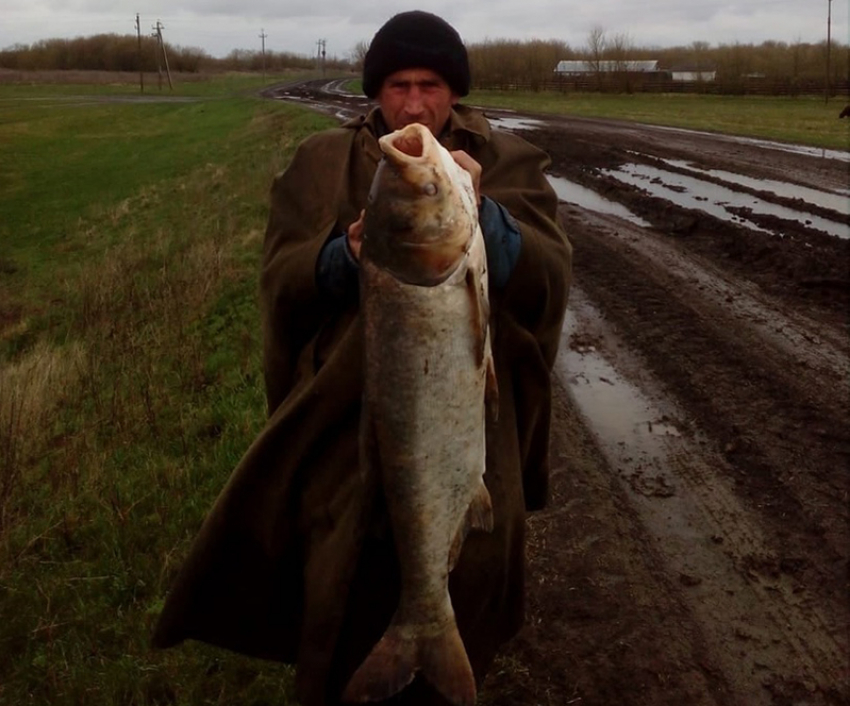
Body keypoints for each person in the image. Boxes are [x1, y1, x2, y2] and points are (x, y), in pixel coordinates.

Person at [152, 10, 572, 705]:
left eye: (430, 85)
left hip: (466, 428)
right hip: (343, 428)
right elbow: (280, 276)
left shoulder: (506, 160)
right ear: (374, 89)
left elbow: (551, 274)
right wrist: (338, 261)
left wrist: (485, 221)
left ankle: (442, 660)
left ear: (454, 90)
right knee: (340, 583)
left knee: (468, 580)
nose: (413, 104)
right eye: (398, 85)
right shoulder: (320, 162)